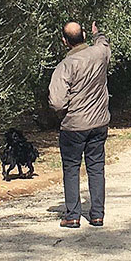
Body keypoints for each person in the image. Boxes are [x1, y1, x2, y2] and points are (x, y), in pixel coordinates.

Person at [49, 21, 111, 228]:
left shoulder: (66, 65)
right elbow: (103, 42)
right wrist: (97, 32)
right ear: (84, 35)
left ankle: (73, 215)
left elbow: (56, 101)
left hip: (74, 125)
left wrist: (65, 111)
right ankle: (97, 215)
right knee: (96, 168)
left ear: (64, 41)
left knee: (71, 169)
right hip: (99, 122)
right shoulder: (100, 54)